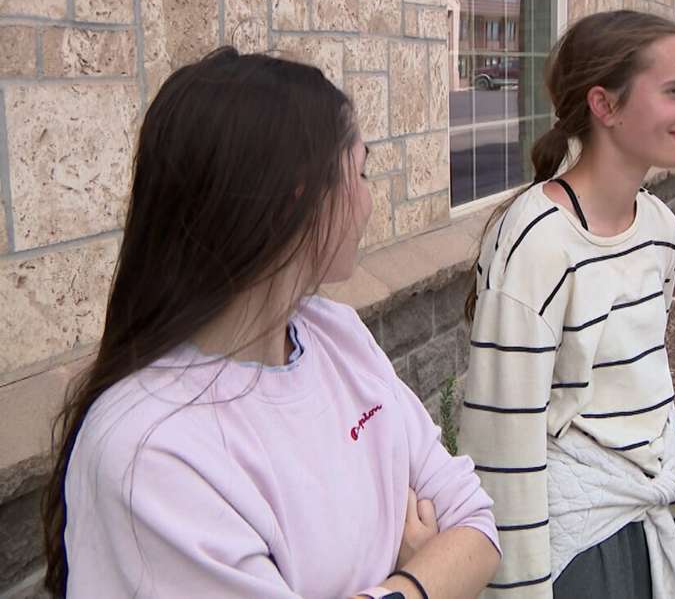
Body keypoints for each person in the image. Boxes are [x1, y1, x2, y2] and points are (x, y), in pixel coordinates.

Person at [41, 48, 500, 599]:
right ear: (295, 205)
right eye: (361, 172)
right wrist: (417, 578)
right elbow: (457, 551)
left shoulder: (335, 335)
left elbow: (477, 525)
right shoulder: (153, 449)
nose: (369, 202)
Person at [457, 10, 675, 598]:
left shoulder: (661, 226)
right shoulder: (538, 239)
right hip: (580, 540)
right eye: (674, 92)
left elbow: (641, 377)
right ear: (605, 106)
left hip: (650, 512)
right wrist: (521, 589)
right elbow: (501, 441)